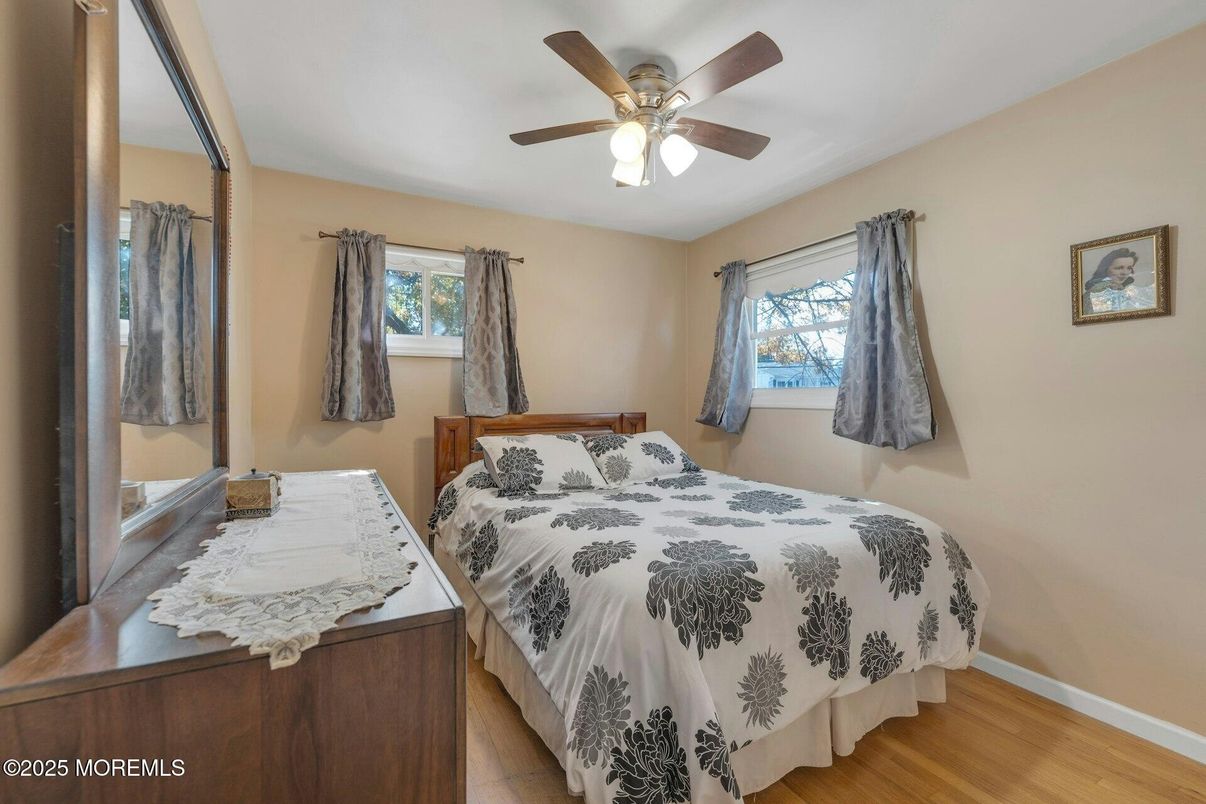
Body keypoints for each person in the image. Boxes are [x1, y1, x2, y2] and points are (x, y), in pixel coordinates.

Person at [1082, 246, 1154, 314]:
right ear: (1106, 269)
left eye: (1129, 268)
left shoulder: (1137, 290)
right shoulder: (1093, 294)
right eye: (1119, 268)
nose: (1125, 273)